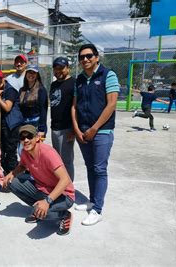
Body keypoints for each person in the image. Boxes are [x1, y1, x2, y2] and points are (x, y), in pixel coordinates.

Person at [71, 43, 119, 226]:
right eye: (82, 57)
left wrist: (94, 128)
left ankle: (97, 210)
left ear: (97, 57)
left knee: (99, 169)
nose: (85, 59)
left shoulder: (108, 75)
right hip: (83, 131)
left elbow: (111, 105)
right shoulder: (79, 80)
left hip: (102, 131)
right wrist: (77, 128)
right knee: (90, 167)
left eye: (89, 56)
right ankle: (92, 200)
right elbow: (74, 106)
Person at [3, 125, 75, 236]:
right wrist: (12, 173)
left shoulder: (48, 153)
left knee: (42, 213)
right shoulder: (25, 152)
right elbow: (22, 166)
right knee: (11, 183)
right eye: (22, 138)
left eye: (29, 137)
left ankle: (64, 215)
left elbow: (65, 180)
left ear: (37, 138)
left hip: (64, 195)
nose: (26, 140)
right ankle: (39, 208)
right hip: (42, 189)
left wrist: (47, 201)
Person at [0, 70, 23, 174]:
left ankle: (13, 174)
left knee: (10, 151)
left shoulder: (10, 90)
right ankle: (7, 172)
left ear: (3, 77)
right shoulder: (0, 89)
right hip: (5, 125)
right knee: (1, 150)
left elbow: (7, 107)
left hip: (12, 125)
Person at [49, 57, 76, 181]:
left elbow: (77, 107)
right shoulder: (54, 84)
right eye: (56, 68)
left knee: (66, 160)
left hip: (67, 128)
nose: (58, 71)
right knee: (57, 159)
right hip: (55, 127)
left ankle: (68, 186)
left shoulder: (73, 83)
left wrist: (73, 129)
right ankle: (60, 184)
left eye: (61, 68)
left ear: (68, 69)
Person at [18, 64, 48, 138]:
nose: (31, 75)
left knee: (36, 148)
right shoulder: (22, 90)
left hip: (36, 125)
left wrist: (41, 129)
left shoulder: (41, 90)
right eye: (29, 72)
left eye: (33, 73)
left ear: (37, 75)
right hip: (24, 124)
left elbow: (43, 110)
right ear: (26, 74)